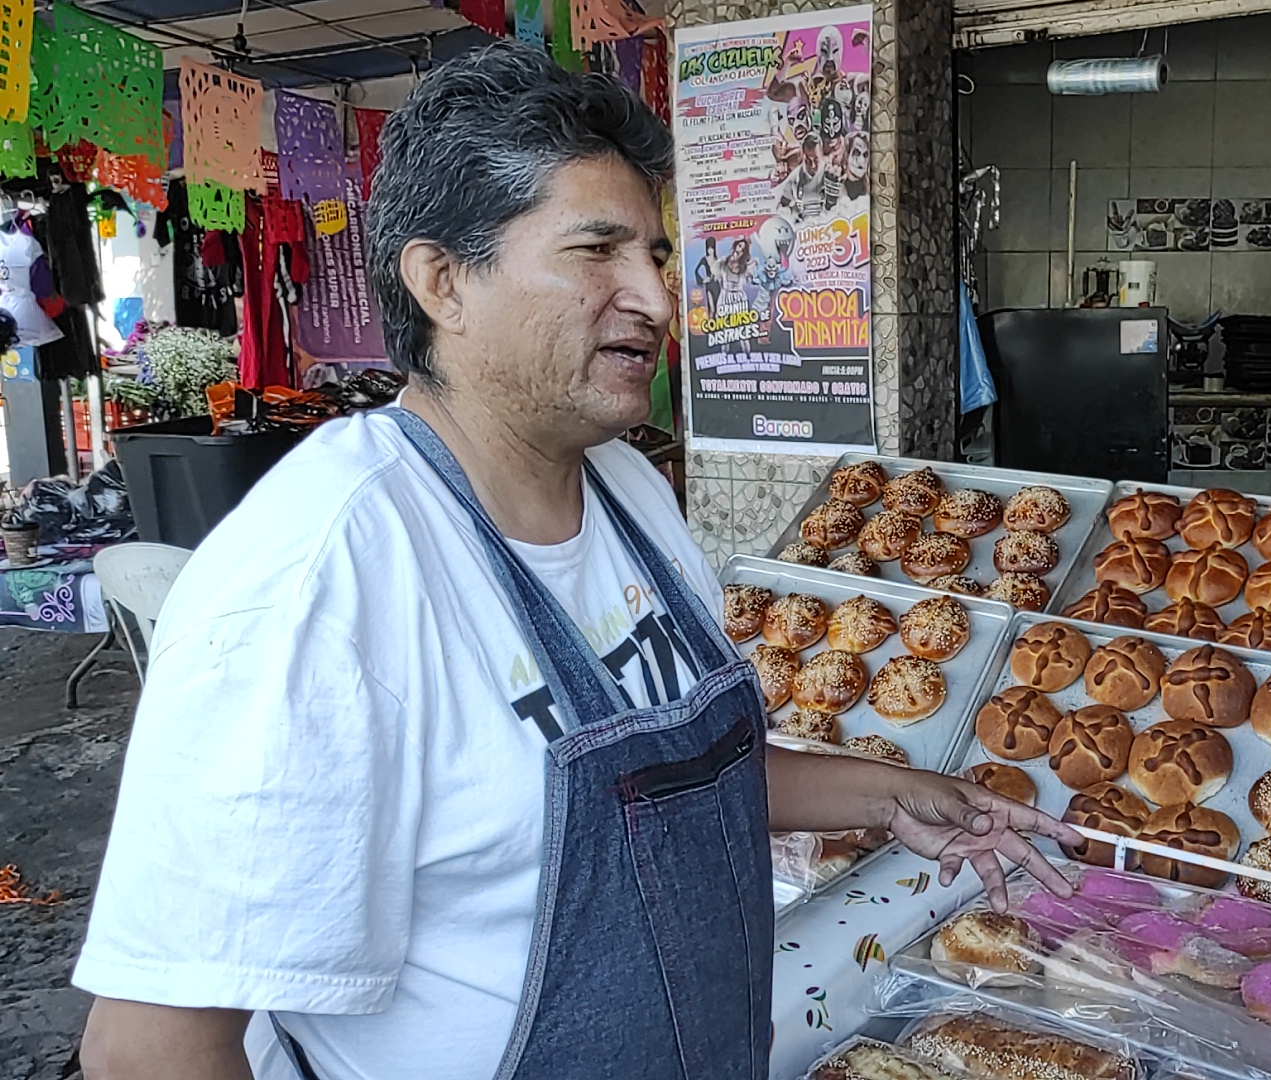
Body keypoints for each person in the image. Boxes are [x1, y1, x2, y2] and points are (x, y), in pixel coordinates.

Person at [73, 42, 1077, 1080]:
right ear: (442, 283)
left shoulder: (630, 492)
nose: (653, 293)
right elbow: (154, 1047)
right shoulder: (319, 579)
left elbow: (661, 786)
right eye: (597, 251)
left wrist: (884, 793)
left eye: (655, 253)